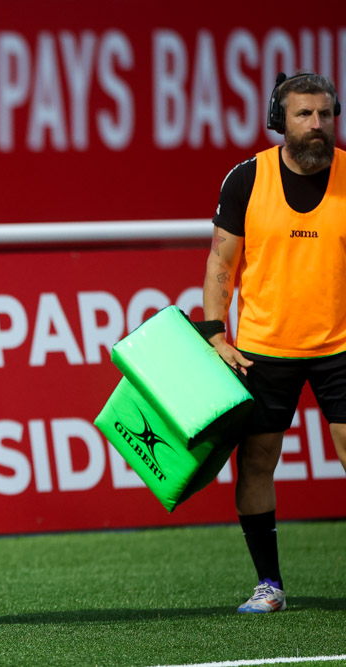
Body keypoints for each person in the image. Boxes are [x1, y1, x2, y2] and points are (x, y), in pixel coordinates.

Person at [202, 71, 346, 614]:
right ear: (278, 120)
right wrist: (216, 332)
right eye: (304, 115)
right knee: (257, 462)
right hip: (264, 348)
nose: (317, 125)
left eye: (325, 114)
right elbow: (221, 261)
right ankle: (269, 585)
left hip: (341, 347)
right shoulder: (246, 179)